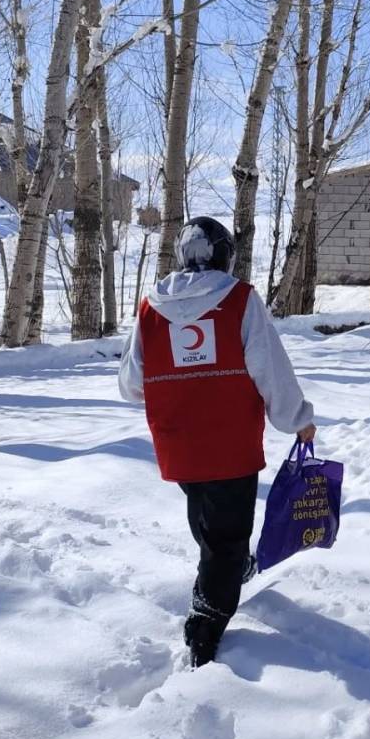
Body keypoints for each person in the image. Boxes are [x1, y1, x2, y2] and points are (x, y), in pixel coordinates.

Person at [118, 217, 316, 668]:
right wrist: (297, 419)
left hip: (177, 441)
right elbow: (270, 368)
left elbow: (131, 383)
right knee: (226, 534)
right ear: (225, 254)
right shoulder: (239, 299)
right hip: (229, 441)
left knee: (207, 516)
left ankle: (222, 575)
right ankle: (207, 621)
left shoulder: (151, 306)